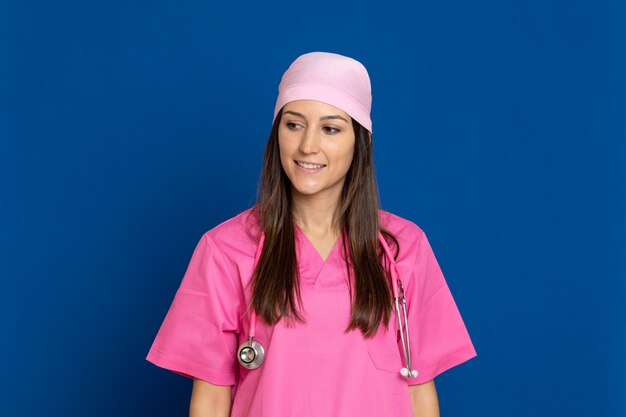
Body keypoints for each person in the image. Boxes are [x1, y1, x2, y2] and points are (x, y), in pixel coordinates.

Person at [146, 51, 477, 417]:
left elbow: (419, 390)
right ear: (277, 134)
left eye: (330, 128)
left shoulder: (402, 249)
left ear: (360, 142)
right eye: (294, 124)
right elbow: (209, 400)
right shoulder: (226, 250)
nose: (308, 146)